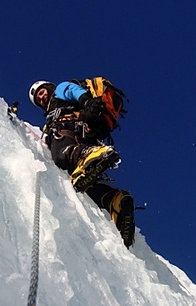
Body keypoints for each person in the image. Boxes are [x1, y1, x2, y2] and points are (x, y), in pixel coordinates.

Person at [29, 79, 136, 247]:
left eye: (41, 92)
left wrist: (86, 101)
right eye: (37, 99)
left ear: (49, 88)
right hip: (82, 133)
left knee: (61, 156)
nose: (41, 97)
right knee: (82, 184)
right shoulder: (52, 111)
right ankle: (114, 200)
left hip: (68, 129)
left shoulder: (60, 90)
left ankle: (91, 154)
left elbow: (72, 90)